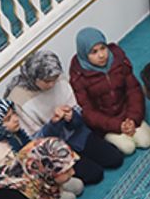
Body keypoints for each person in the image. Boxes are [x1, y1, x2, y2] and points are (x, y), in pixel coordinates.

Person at [7, 50, 124, 184]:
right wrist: (54, 124)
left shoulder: (59, 78)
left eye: (54, 79)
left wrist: (72, 116)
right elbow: (34, 143)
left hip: (77, 135)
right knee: (95, 175)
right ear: (34, 78)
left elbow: (78, 112)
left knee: (115, 159)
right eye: (47, 81)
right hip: (53, 150)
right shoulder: (19, 99)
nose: (52, 84)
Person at [0, 98, 81, 199]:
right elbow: (10, 185)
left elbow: (37, 148)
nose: (15, 119)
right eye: (8, 119)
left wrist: (53, 124)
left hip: (39, 175)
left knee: (78, 186)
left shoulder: (15, 134)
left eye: (13, 113)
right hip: (26, 190)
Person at [69, 27, 150, 155]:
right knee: (128, 148)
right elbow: (88, 112)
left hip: (127, 113)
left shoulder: (119, 60)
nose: (101, 55)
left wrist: (132, 118)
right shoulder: (78, 76)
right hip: (106, 123)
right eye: (94, 52)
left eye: (103, 48)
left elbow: (133, 90)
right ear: (84, 54)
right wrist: (117, 125)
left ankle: (130, 127)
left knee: (146, 141)